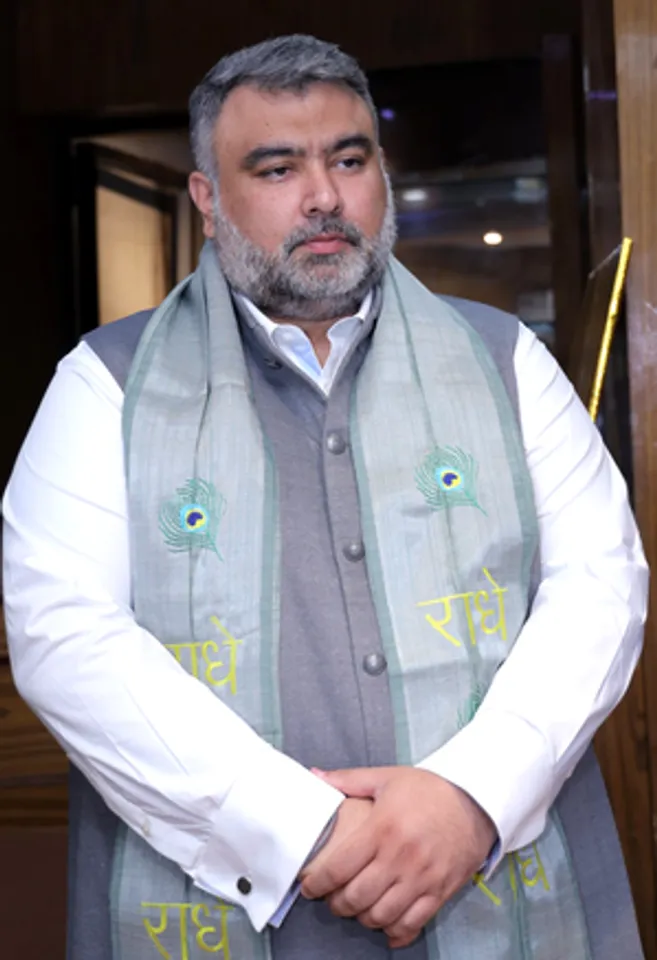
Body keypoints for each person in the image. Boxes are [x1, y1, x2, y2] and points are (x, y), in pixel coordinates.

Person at [2, 34, 648, 960]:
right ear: (207, 200)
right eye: (276, 167)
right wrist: (305, 829)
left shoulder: (504, 359)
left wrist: (469, 798)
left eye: (349, 159)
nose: (324, 197)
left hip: (492, 874)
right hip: (230, 897)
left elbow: (600, 585)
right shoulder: (105, 384)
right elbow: (64, 636)